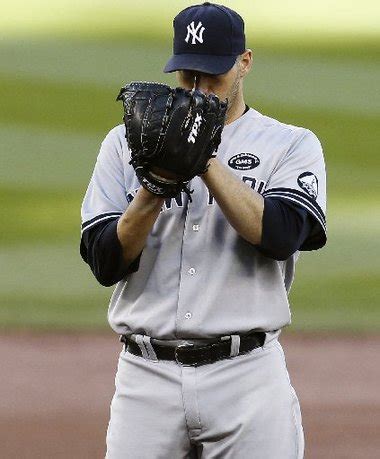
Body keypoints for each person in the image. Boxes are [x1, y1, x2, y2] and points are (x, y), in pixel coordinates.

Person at [80, 2, 326, 458]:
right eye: (189, 74)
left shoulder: (290, 145)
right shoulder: (126, 144)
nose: (199, 88)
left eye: (214, 75)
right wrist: (153, 188)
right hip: (145, 381)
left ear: (244, 63)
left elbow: (281, 236)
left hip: (247, 379)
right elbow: (104, 260)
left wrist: (204, 159)